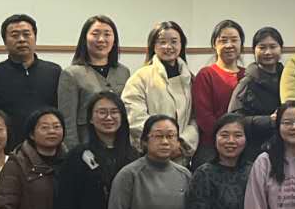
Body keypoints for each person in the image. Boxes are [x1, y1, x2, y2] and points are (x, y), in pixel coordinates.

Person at [0, 14, 62, 134]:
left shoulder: (54, 72)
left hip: (47, 142)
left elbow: (64, 112)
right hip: (7, 144)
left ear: (35, 37)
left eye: (26, 34)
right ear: (5, 41)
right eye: (15, 35)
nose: (21, 39)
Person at [122, 20, 196, 163]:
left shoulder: (190, 79)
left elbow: (195, 118)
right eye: (162, 42)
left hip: (181, 155)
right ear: (153, 45)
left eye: (174, 42)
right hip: (149, 157)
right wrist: (162, 143)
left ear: (181, 45)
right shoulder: (140, 77)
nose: (168, 47)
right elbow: (134, 117)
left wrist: (182, 143)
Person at [57, 15, 131, 150]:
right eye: (95, 34)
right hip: (86, 145)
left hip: (119, 146)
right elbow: (67, 121)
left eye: (107, 34)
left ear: (114, 40)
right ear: (85, 38)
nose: (101, 39)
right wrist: (74, 152)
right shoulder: (72, 74)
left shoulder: (123, 72)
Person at [191, 19, 245, 156]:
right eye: (223, 40)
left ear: (241, 44)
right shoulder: (206, 74)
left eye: (234, 40)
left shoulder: (247, 75)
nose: (229, 45)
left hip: (242, 145)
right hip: (211, 147)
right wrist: (226, 138)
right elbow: (203, 116)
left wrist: (238, 138)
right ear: (214, 45)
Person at [226, 26, 285, 151]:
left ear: (281, 49)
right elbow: (233, 120)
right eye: (262, 47)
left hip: (286, 145)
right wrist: (268, 121)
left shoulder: (289, 78)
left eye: (273, 47)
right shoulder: (247, 82)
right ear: (254, 50)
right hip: (255, 148)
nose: (268, 52)